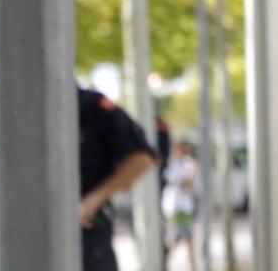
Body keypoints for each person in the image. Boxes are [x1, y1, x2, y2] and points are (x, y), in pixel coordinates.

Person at [77, 87, 156, 271]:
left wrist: (92, 201)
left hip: (87, 231)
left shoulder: (90, 105)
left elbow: (142, 158)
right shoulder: (8, 103)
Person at [162, 140, 197, 271]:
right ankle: (163, 256)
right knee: (184, 239)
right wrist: (193, 171)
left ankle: (165, 257)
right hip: (177, 208)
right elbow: (185, 183)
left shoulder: (185, 163)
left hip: (184, 207)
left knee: (187, 240)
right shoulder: (173, 165)